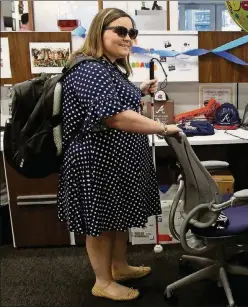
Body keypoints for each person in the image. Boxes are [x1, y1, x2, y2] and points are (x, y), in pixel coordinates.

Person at [58, 8, 181, 301]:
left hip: (115, 159)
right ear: (99, 31)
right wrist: (162, 128)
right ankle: (103, 281)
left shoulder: (108, 67)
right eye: (120, 31)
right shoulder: (88, 68)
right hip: (96, 160)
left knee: (116, 217)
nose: (128, 38)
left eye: (132, 32)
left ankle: (119, 266)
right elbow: (113, 116)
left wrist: (139, 90)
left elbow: (112, 101)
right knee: (100, 223)